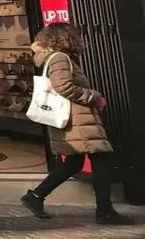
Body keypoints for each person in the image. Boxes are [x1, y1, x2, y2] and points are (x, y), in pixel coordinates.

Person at [19, 23, 134, 226]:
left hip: (74, 121)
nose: (81, 41)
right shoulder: (60, 58)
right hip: (77, 120)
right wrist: (94, 96)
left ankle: (36, 196)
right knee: (102, 158)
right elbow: (64, 86)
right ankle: (104, 211)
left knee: (74, 162)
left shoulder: (55, 58)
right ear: (65, 38)